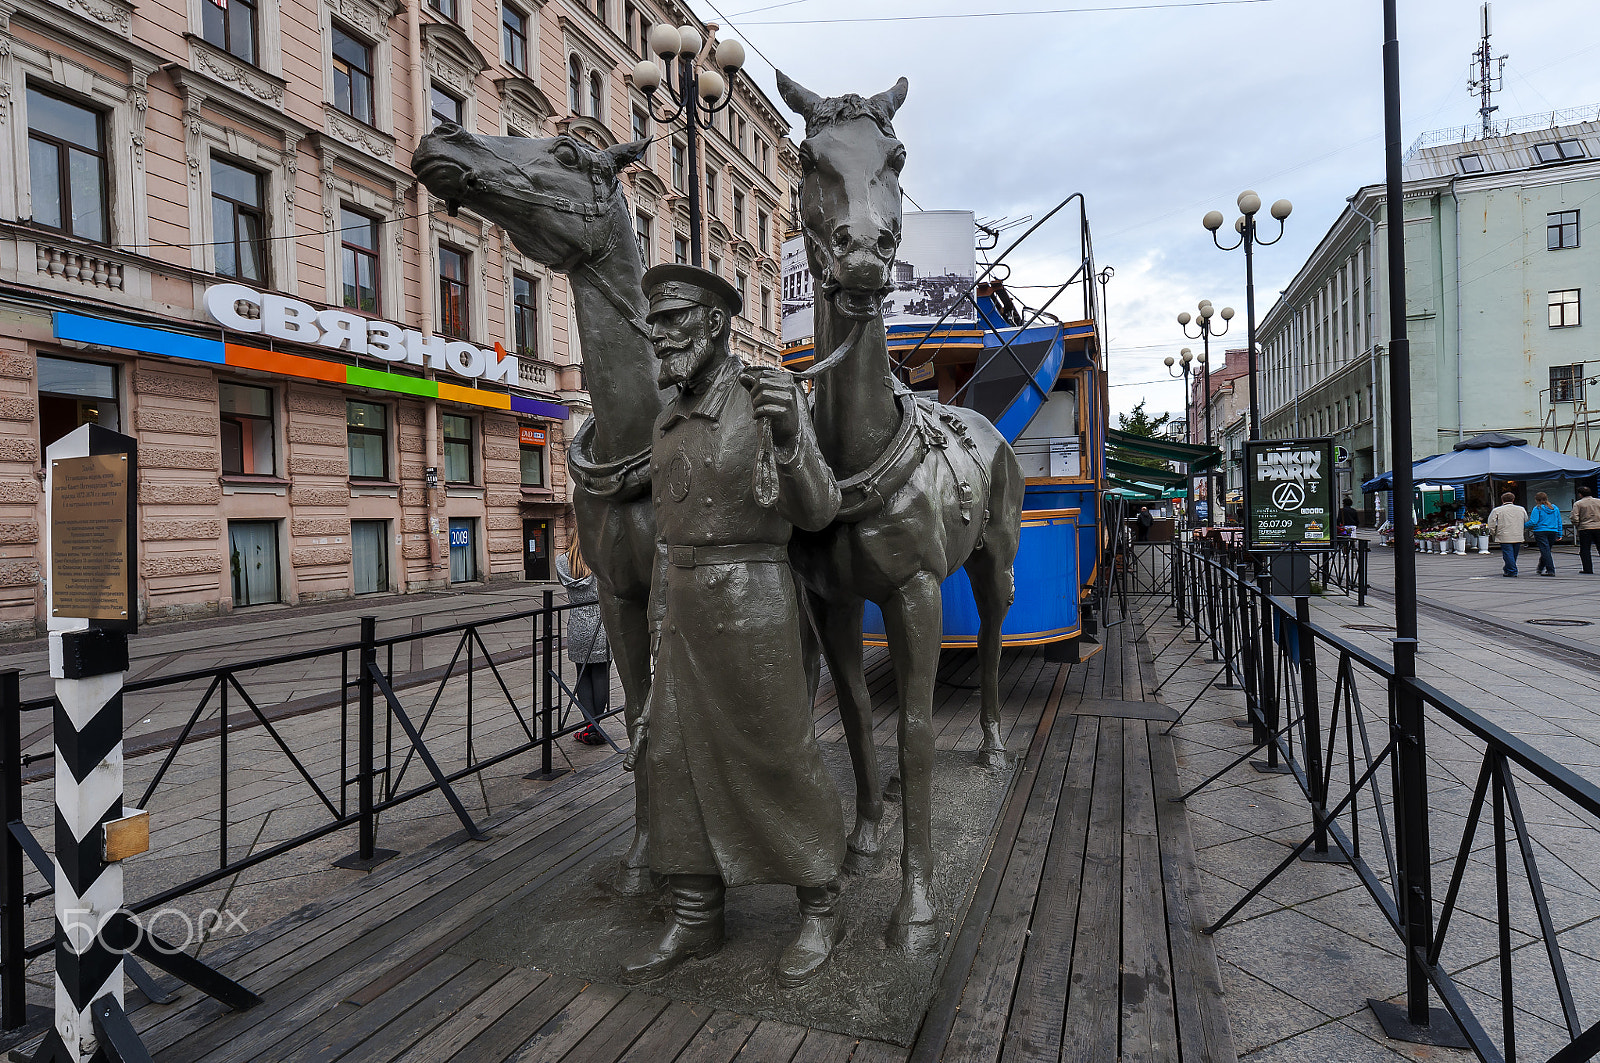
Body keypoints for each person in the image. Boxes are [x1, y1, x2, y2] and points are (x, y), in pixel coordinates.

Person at [620, 263, 847, 989]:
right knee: (675, 757)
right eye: (654, 323)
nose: (660, 336)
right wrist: (658, 624)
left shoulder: (767, 398)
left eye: (674, 320)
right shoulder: (665, 418)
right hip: (684, 606)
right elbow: (663, 536)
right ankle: (696, 911)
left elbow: (818, 510)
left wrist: (790, 438)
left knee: (777, 748)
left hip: (754, 596)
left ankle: (819, 901)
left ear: (716, 324)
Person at [555, 534, 610, 745]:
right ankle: (596, 726)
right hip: (601, 622)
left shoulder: (562, 562)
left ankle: (589, 727)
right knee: (601, 673)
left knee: (583, 674)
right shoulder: (600, 559)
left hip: (578, 624)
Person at [1487, 492, 1529, 577]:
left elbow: (1491, 523)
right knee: (1514, 554)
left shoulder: (1497, 510)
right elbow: (1526, 521)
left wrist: (1494, 533)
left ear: (1502, 500)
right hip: (1518, 534)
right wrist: (1523, 531)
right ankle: (1508, 568)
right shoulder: (1521, 509)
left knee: (1508, 553)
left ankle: (1512, 570)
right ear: (1513, 500)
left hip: (1504, 535)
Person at [1525, 491, 1563, 576]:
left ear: (1536, 500)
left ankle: (1550, 570)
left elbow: (1533, 522)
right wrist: (1560, 533)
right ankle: (1540, 567)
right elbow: (1559, 521)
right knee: (1546, 550)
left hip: (1540, 531)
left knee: (1545, 550)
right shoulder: (1554, 508)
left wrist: (1523, 525)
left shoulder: (1537, 508)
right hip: (1553, 531)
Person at [1573, 485, 1600, 575]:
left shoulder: (1578, 504)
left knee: (1585, 549)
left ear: (1580, 495)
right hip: (1598, 527)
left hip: (1585, 528)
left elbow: (1574, 517)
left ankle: (1587, 569)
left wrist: (1577, 524)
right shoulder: (1598, 501)